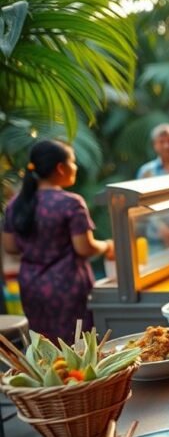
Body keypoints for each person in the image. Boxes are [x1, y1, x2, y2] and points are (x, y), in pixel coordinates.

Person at [2, 140, 113, 343]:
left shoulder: (15, 204)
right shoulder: (70, 203)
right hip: (67, 287)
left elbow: (10, 246)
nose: (75, 167)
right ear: (60, 168)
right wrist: (107, 245)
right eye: (72, 161)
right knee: (77, 346)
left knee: (45, 347)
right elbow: (84, 247)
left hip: (31, 287)